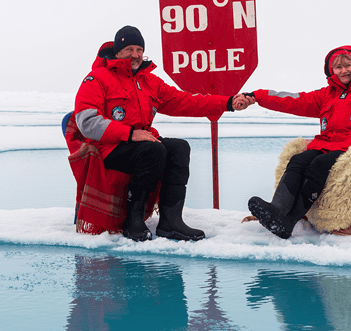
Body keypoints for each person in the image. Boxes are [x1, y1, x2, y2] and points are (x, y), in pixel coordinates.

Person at [74, 25, 253, 242]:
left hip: (140, 145)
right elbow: (87, 122)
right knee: (153, 150)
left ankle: (170, 222)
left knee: (179, 147)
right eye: (129, 49)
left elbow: (188, 101)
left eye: (139, 49)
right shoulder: (97, 79)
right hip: (109, 148)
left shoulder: (148, 81)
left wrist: (227, 103)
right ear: (118, 51)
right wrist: (130, 133)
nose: (135, 54)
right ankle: (134, 222)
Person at [246, 45, 351, 239]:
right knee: (297, 160)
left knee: (318, 165)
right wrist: (257, 96)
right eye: (337, 67)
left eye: (347, 65)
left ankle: (290, 220)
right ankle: (277, 211)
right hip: (326, 143)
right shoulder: (325, 94)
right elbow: (292, 100)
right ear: (330, 71)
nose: (343, 71)